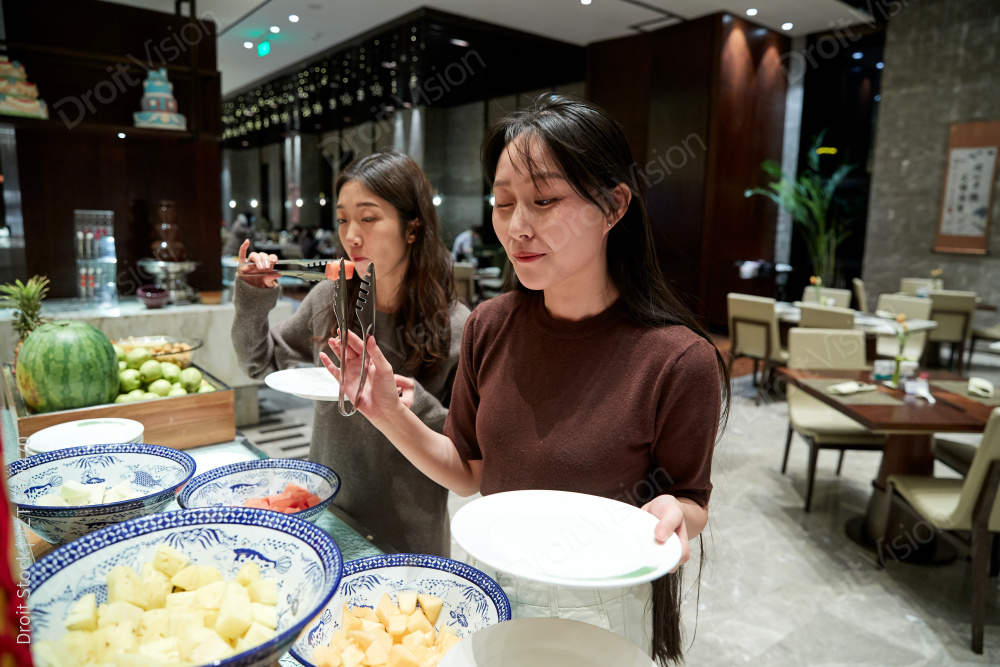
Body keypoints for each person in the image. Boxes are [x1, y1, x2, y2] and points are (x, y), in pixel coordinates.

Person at [322, 95, 730, 664]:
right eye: (503, 202)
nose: (517, 227)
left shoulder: (678, 360)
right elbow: (468, 473)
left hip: (602, 608)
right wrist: (388, 410)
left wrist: (673, 513)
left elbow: (689, 501)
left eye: (544, 201)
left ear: (613, 207)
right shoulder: (490, 325)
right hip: (491, 585)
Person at [232, 151, 470, 556]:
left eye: (369, 217)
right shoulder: (330, 297)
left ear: (412, 228)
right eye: (343, 219)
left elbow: (464, 457)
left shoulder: (457, 326)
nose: (351, 235)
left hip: (409, 534)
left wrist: (410, 403)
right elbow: (259, 362)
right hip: (326, 511)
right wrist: (254, 298)